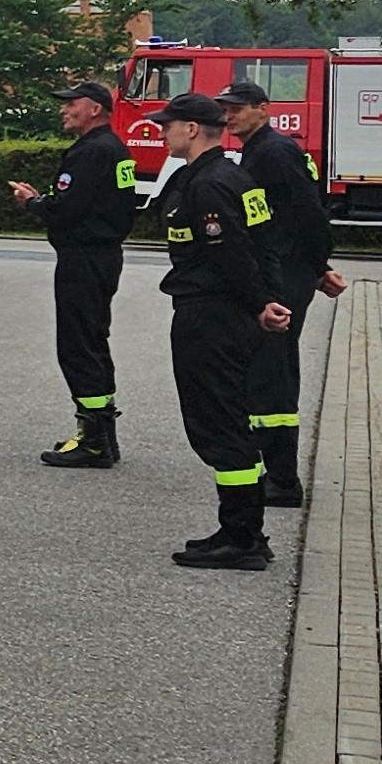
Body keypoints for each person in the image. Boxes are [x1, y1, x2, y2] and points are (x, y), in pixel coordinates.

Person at [152, 91, 292, 571]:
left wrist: (260, 304)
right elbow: (267, 244)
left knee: (219, 425)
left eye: (168, 125)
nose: (162, 132)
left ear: (191, 129)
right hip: (227, 314)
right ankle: (242, 530)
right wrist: (268, 300)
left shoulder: (210, 184)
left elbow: (231, 254)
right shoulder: (230, 176)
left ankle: (241, 538)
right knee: (228, 420)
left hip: (211, 316)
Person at [226, 79, 345, 508]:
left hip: (285, 272)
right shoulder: (259, 150)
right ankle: (273, 470)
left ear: (263, 108)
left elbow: (308, 213)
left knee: (272, 371)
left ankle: (282, 479)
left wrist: (316, 266)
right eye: (226, 108)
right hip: (284, 267)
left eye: (238, 107)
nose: (229, 115)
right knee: (265, 368)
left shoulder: (273, 152)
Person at [8, 79, 139, 466]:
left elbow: (68, 208)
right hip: (104, 254)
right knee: (94, 340)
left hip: (83, 257)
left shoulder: (90, 152)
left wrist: (33, 203)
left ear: (95, 109)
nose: (63, 110)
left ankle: (93, 442)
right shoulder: (114, 148)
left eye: (71, 104)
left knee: (78, 346)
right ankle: (103, 436)